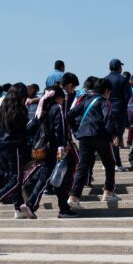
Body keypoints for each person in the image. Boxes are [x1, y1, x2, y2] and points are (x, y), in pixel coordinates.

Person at [67, 78, 120, 212]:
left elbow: (70, 114)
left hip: (84, 136)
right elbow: (108, 117)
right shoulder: (105, 102)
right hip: (100, 135)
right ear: (107, 91)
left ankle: (74, 197)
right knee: (110, 162)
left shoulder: (86, 100)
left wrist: (76, 130)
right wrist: (113, 134)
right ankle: (108, 192)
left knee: (83, 166)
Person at [24, 86, 77, 218]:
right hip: (54, 149)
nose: (63, 101)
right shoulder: (57, 108)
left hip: (43, 149)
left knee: (57, 177)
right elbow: (60, 129)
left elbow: (31, 128)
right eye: (62, 99)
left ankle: (63, 208)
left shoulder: (43, 109)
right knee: (48, 177)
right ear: (59, 98)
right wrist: (61, 146)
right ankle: (31, 204)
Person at [0, 84, 34, 219]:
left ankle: (18, 208)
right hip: (14, 146)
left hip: (0, 146)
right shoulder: (20, 109)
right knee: (16, 180)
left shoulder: (1, 109)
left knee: (11, 177)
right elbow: (24, 131)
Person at [105, 58, 131, 172]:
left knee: (109, 137)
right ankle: (116, 163)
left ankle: (109, 161)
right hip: (119, 111)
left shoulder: (105, 79)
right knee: (116, 137)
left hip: (106, 110)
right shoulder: (122, 79)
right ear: (119, 68)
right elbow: (128, 96)